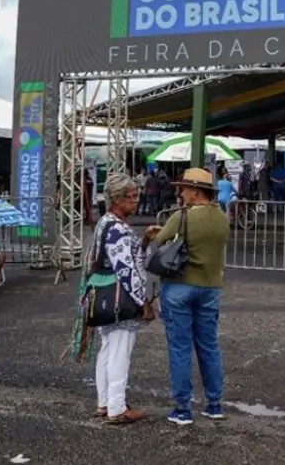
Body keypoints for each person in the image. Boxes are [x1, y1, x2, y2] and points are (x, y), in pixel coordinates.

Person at [150, 168, 231, 426]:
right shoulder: (222, 218)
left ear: (196, 191)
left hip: (179, 288)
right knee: (209, 346)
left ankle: (183, 409)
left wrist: (156, 233)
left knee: (180, 347)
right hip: (210, 288)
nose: (180, 192)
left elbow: (160, 241)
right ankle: (214, 404)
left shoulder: (180, 217)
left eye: (184, 188)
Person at [84, 173, 155, 425]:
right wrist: (143, 302)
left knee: (107, 350)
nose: (136, 201)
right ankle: (117, 407)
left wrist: (144, 240)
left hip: (101, 295)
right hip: (119, 298)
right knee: (119, 353)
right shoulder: (118, 229)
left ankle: (105, 403)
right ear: (116, 199)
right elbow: (127, 270)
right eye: (132, 197)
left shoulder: (106, 222)